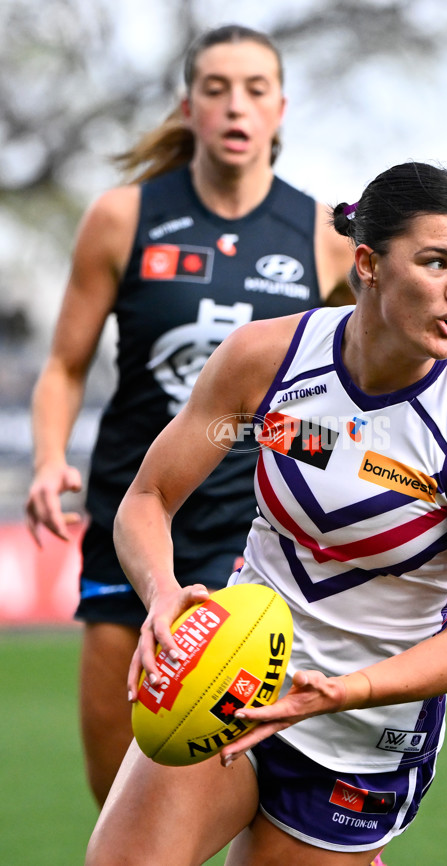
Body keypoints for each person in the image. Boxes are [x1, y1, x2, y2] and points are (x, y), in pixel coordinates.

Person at [85, 161, 447, 866]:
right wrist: (163, 593)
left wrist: (338, 692)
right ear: (369, 263)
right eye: (437, 262)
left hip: (360, 736)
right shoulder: (264, 361)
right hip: (229, 680)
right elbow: (146, 499)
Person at [24, 24, 354, 809]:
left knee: (261, 802)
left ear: (281, 109)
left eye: (254, 89)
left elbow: (360, 383)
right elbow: (64, 366)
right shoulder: (121, 218)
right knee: (120, 813)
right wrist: (46, 458)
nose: (236, 105)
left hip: (257, 550)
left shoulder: (325, 236)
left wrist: (305, 443)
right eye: (216, 89)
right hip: (133, 524)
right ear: (186, 108)